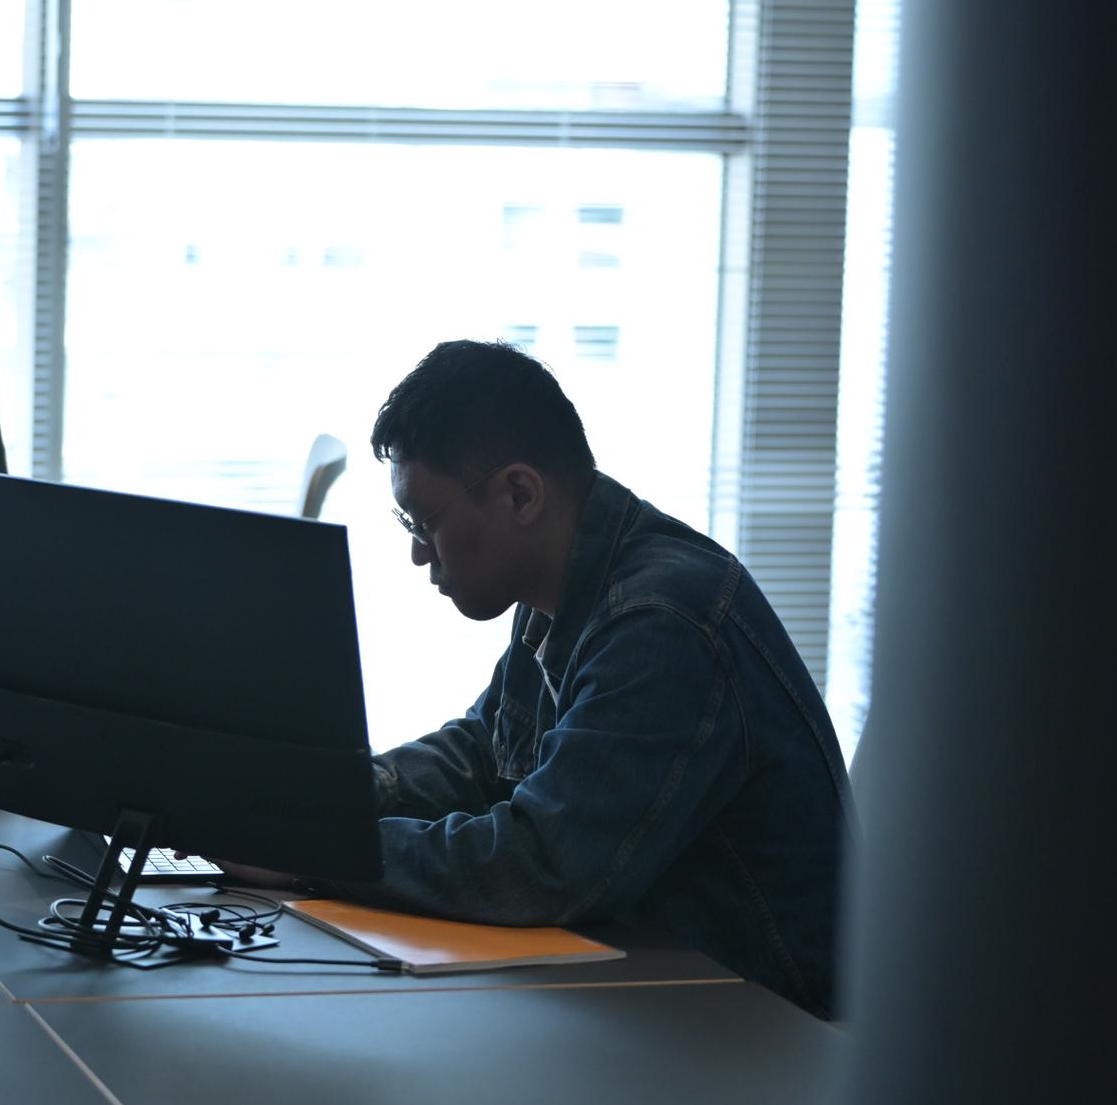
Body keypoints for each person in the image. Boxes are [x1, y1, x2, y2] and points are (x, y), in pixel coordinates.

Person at [245, 340, 854, 1018]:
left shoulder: (662, 625)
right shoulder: (561, 588)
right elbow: (483, 751)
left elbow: (541, 865)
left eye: (427, 522)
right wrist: (323, 801)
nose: (418, 554)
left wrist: (316, 848)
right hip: (659, 999)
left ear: (520, 494)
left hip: (767, 1035)